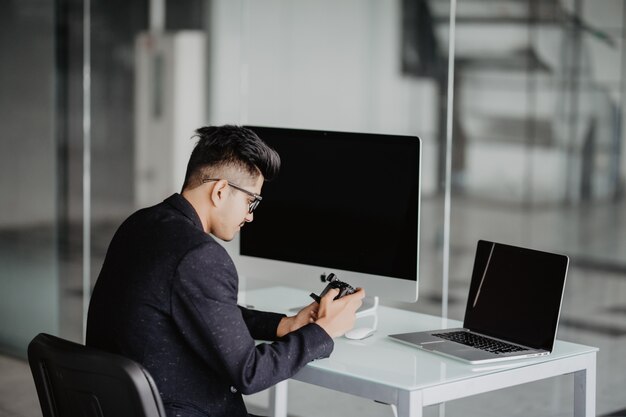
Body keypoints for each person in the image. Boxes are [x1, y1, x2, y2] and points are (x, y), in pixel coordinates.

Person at [86, 125, 365, 417]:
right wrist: (325, 330)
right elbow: (250, 373)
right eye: (251, 200)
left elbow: (209, 312)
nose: (250, 215)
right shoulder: (199, 255)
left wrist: (284, 325)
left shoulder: (139, 225)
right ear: (220, 190)